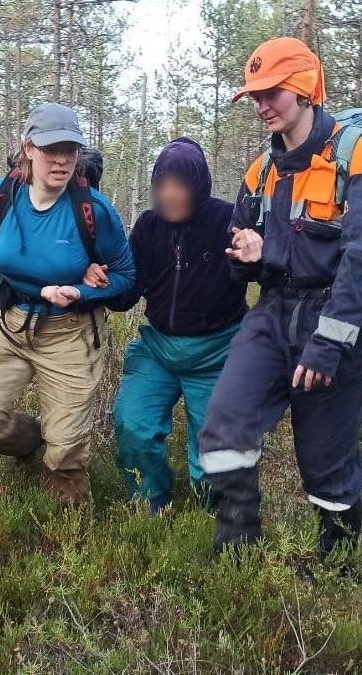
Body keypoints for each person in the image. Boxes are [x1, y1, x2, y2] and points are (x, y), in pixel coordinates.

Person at [196, 37, 362, 556]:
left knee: (325, 465)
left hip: (339, 321)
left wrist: (329, 342)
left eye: (272, 94)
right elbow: (241, 251)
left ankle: (337, 567)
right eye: (255, 96)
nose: (262, 106)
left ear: (305, 88)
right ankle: (237, 550)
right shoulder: (260, 170)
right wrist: (243, 253)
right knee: (224, 425)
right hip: (274, 313)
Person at [0, 102, 134, 507]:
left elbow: (125, 276)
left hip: (70, 334)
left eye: (72, 150)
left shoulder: (94, 211)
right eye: (52, 149)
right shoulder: (1, 196)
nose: (63, 159)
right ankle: (31, 439)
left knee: (66, 452)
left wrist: (81, 292)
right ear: (28, 148)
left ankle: (65, 538)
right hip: (8, 324)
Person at [85, 137, 249, 514]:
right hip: (157, 349)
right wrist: (102, 283)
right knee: (132, 423)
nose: (171, 195)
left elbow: (259, 272)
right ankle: (151, 503)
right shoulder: (148, 227)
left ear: (199, 186)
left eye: (181, 185)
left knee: (214, 453)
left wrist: (253, 258)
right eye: (163, 185)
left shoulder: (227, 221)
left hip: (218, 354)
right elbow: (129, 292)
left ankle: (212, 510)